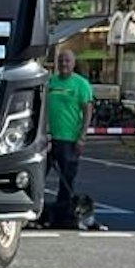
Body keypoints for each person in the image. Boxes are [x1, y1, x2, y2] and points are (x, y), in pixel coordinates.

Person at [44, 49, 94, 229]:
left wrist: (82, 137)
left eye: (67, 61)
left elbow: (88, 111)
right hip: (48, 138)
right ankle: (40, 213)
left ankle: (63, 215)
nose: (64, 64)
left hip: (69, 139)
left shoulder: (81, 84)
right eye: (61, 60)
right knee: (38, 177)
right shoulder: (50, 83)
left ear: (73, 63)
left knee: (66, 180)